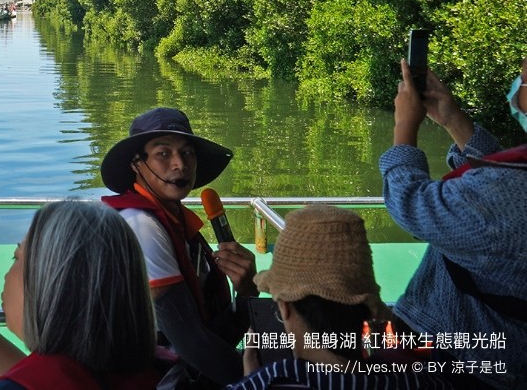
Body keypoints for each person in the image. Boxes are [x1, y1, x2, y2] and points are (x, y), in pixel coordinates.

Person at [383, 58, 527, 390]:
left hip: (456, 362)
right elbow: (498, 179)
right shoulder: (507, 188)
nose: (517, 88)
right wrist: (452, 120)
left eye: (523, 79)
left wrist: (404, 126)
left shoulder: (507, 198)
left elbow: (410, 203)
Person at [0, 200, 164, 390]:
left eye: (17, 258)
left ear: (52, 285)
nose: (7, 274)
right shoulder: (156, 368)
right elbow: (36, 377)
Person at [101, 107, 258, 387]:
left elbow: (213, 335)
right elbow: (192, 343)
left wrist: (247, 291)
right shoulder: (140, 226)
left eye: (187, 152)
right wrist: (263, 381)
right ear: (137, 164)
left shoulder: (178, 225)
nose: (180, 164)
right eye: (163, 153)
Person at [227, 204, 453, 390]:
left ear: (284, 308)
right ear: (368, 310)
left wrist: (249, 378)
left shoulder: (268, 379)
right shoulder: (421, 381)